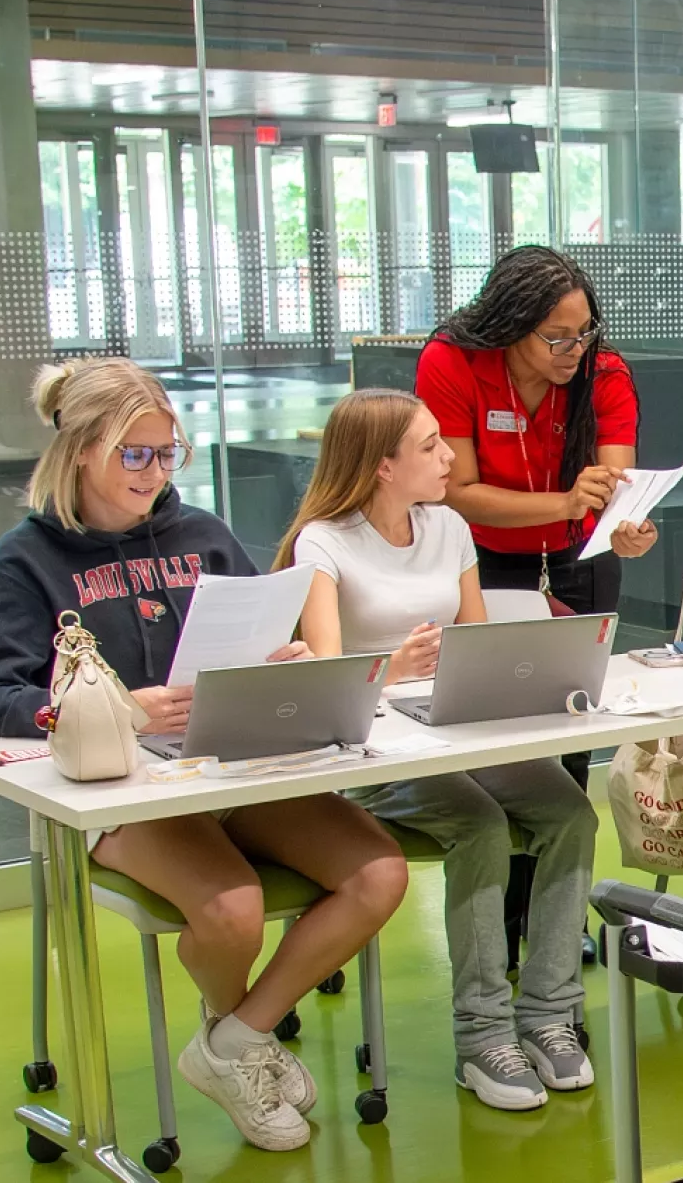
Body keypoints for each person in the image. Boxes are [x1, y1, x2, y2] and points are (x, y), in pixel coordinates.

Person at [0, 359, 409, 1154]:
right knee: (230, 908)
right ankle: (248, 1047)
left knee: (379, 873)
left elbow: (257, 636)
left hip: (235, 767)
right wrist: (115, 710)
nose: (155, 472)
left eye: (168, 454)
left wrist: (283, 666)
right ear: (83, 450)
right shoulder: (24, 562)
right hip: (127, 792)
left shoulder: (201, 535)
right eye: (136, 455)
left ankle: (231, 1044)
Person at [275, 389, 600, 1111]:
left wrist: (480, 672)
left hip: (452, 723)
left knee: (572, 814)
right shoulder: (322, 540)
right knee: (479, 826)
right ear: (382, 465)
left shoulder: (449, 527)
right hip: (372, 744)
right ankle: (481, 1036)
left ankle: (549, 1013)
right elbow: (329, 672)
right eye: (428, 446)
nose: (449, 455)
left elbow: (478, 645)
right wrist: (392, 666)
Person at [416, 244, 659, 615]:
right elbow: (455, 491)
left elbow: (618, 489)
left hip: (581, 559)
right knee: (485, 670)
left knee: (579, 672)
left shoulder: (604, 373)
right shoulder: (452, 361)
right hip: (477, 557)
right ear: (512, 327)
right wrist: (566, 504)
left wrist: (629, 528)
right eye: (557, 336)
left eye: (584, 332)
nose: (576, 349)